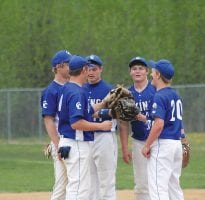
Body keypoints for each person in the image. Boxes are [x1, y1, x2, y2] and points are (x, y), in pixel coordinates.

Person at [57, 55, 112, 200]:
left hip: (68, 142)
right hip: (76, 144)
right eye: (88, 68)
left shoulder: (67, 88)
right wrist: (101, 125)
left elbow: (85, 111)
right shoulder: (77, 92)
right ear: (84, 70)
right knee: (78, 189)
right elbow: (76, 123)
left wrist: (104, 102)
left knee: (78, 187)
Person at [142, 59, 184, 200]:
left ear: (158, 74)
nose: (151, 75)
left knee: (158, 188)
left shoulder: (159, 96)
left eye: (153, 72)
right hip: (176, 144)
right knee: (174, 187)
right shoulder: (175, 95)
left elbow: (159, 124)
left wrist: (147, 145)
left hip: (163, 144)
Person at [119, 56, 156, 200]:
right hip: (139, 142)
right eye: (134, 68)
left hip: (157, 141)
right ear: (130, 72)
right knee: (141, 184)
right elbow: (123, 124)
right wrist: (125, 148)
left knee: (159, 181)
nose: (137, 71)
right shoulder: (126, 94)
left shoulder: (155, 90)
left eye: (141, 68)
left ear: (147, 71)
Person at [83, 54, 117, 200]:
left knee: (106, 180)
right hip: (85, 137)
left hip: (105, 137)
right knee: (89, 182)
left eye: (94, 69)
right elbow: (78, 114)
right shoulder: (80, 89)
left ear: (101, 69)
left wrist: (92, 113)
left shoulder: (110, 89)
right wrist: (99, 112)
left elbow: (117, 113)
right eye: (88, 69)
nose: (91, 72)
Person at [41, 49, 71, 200]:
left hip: (69, 140)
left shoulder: (70, 87)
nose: (71, 67)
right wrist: (57, 144)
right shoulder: (51, 91)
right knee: (67, 183)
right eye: (68, 64)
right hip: (62, 142)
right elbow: (48, 119)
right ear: (58, 67)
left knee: (67, 183)